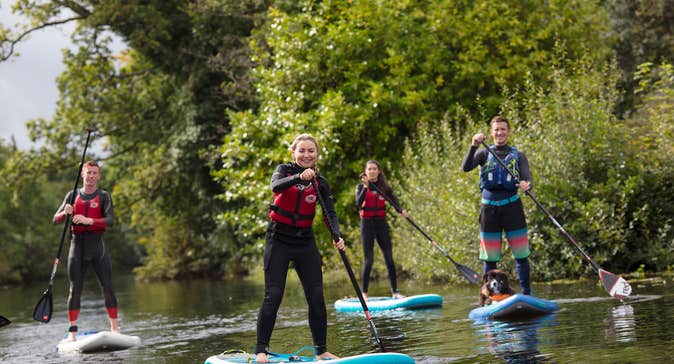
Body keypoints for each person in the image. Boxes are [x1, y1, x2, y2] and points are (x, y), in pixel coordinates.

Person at [256, 133, 345, 363]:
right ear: (293, 152)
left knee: (316, 295)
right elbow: (275, 186)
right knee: (273, 294)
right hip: (279, 239)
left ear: (317, 154)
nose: (306, 155)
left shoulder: (320, 183)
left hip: (305, 240)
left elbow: (330, 213)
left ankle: (321, 351)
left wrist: (337, 234)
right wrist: (298, 177)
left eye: (311, 151)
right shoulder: (283, 171)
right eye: (302, 151)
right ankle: (261, 351)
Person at [461, 115, 533, 295]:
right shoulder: (483, 152)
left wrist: (527, 185)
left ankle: (526, 293)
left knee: (521, 254)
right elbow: (466, 167)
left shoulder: (519, 155)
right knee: (490, 257)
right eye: (496, 130)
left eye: (503, 129)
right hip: (489, 210)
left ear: (508, 132)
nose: (499, 133)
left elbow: (527, 177)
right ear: (491, 133)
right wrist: (473, 146)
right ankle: (490, 295)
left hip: (512, 208)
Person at [53, 160, 118, 341]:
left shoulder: (104, 196)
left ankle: (115, 328)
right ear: (82, 174)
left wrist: (90, 221)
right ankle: (72, 334)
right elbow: (55, 219)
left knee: (108, 287)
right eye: (88, 172)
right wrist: (65, 213)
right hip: (77, 246)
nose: (91, 176)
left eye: (94, 173)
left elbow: (110, 220)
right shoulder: (72, 195)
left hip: (98, 246)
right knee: (75, 290)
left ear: (98, 176)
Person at [356, 160, 407, 301]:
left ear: (379, 171)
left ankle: (395, 292)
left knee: (389, 258)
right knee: (369, 260)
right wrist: (366, 187)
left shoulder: (384, 187)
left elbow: (394, 201)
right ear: (365, 172)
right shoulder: (361, 187)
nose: (372, 171)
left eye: (374, 169)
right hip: (367, 225)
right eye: (369, 169)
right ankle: (364, 294)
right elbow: (358, 203)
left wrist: (401, 211)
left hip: (381, 225)